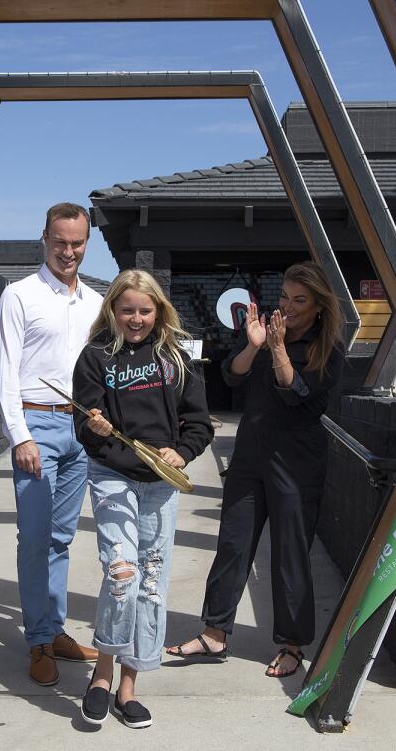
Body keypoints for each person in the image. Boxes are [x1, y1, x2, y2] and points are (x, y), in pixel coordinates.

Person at [166, 261, 345, 678]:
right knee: (233, 543)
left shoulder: (327, 350)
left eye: (300, 300)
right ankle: (214, 633)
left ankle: (291, 644)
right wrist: (254, 344)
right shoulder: (265, 335)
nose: (289, 306)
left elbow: (299, 397)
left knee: (289, 554)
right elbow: (231, 377)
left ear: (319, 306)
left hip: (297, 463)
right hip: (250, 457)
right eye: (285, 296)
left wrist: (280, 349)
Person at [72, 269, 213, 728]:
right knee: (122, 574)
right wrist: (95, 427)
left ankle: (129, 687)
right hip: (112, 476)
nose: (136, 319)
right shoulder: (95, 356)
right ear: (112, 309)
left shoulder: (176, 358)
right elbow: (85, 425)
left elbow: (200, 424)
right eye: (127, 309)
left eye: (145, 310)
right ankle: (101, 673)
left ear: (159, 311)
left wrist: (182, 452)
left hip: (160, 483)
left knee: (151, 583)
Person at [0, 202, 104, 685]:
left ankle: (54, 629)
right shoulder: (19, 296)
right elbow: (4, 372)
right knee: (35, 540)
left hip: (81, 429)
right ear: (45, 238)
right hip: (37, 426)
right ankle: (38, 640)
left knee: (61, 539)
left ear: (87, 242)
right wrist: (20, 436)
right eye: (60, 242)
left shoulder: (98, 303)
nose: (68, 251)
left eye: (77, 243)